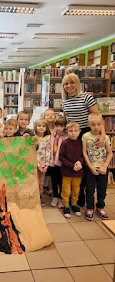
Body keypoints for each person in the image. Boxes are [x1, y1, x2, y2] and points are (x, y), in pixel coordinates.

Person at [61, 72, 105, 207]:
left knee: (87, 165)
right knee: (76, 165)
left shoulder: (86, 97)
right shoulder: (65, 102)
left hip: (87, 134)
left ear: (77, 83)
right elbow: (66, 120)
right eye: (66, 84)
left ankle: (87, 197)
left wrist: (102, 135)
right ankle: (78, 196)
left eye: (72, 82)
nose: (69, 86)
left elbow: (97, 117)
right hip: (72, 136)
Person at [82, 113, 113, 220]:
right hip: (90, 168)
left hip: (102, 168)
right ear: (88, 124)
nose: (96, 127)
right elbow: (84, 153)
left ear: (102, 124)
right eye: (93, 124)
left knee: (102, 190)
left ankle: (100, 207)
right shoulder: (85, 136)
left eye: (99, 124)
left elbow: (110, 153)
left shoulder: (105, 138)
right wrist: (90, 167)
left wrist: (104, 166)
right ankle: (90, 208)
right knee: (89, 190)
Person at [59, 122, 84, 219]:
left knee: (76, 189)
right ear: (67, 132)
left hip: (78, 172)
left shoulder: (81, 142)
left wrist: (79, 162)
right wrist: (72, 166)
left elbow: (83, 155)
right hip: (67, 171)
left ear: (79, 132)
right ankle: (66, 205)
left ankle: (74, 204)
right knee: (66, 189)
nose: (73, 133)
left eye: (75, 131)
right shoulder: (64, 143)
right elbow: (61, 157)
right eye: (70, 131)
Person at [48, 116, 67, 208]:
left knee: (61, 181)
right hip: (52, 162)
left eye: (61, 126)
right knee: (54, 180)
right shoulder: (52, 135)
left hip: (61, 163)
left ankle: (60, 198)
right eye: (57, 126)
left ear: (64, 127)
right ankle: (55, 196)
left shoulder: (66, 136)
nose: (59, 128)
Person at [34, 119, 51, 206]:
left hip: (44, 163)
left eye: (43, 126)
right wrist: (37, 165)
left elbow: (48, 151)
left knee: (41, 181)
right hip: (35, 163)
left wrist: (47, 164)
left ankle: (40, 196)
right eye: (39, 126)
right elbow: (34, 152)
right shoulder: (34, 138)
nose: (41, 128)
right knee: (35, 181)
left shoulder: (48, 138)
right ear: (35, 127)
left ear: (46, 128)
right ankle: (35, 197)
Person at [43, 109, 56, 196]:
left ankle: (49, 187)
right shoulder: (43, 128)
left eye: (52, 114)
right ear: (44, 117)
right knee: (45, 171)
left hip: (55, 152)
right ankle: (45, 186)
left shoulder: (57, 128)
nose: (50, 116)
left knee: (53, 171)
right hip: (45, 153)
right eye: (47, 115)